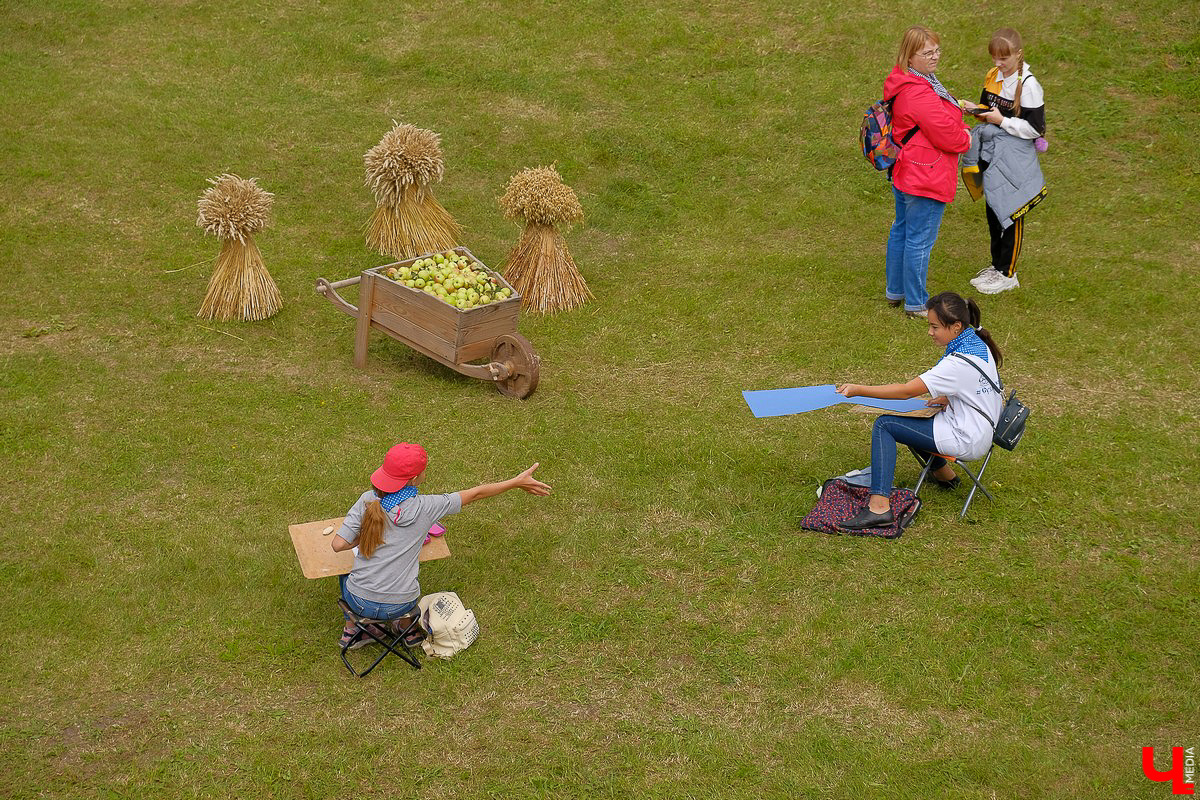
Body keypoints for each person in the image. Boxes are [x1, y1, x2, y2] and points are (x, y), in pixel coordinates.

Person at [331, 442, 551, 649]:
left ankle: (357, 629)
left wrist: (367, 534)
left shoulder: (367, 499)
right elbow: (475, 494)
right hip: (401, 604)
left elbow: (338, 544)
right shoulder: (428, 507)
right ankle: (405, 627)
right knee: (405, 582)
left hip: (359, 603)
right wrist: (516, 482)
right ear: (415, 478)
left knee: (345, 573)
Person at [834, 292, 1003, 529]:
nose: (930, 332)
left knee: (885, 425)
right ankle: (945, 476)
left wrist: (858, 390)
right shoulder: (975, 341)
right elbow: (975, 385)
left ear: (956, 327)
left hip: (967, 437)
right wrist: (949, 397)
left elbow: (905, 391)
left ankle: (879, 507)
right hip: (980, 427)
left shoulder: (956, 364)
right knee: (913, 418)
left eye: (935, 327)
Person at [882, 26, 972, 319]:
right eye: (927, 53)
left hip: (907, 169)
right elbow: (947, 134)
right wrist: (967, 137)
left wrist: (958, 106)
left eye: (937, 51)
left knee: (902, 231)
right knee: (919, 240)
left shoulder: (909, 80)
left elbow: (935, 113)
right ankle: (917, 304)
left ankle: (895, 292)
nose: (935, 57)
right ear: (910, 55)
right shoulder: (918, 92)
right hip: (926, 174)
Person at [965, 28, 1047, 295]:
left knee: (1011, 212)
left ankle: (1008, 273)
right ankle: (996, 266)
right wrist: (977, 112)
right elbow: (987, 108)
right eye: (995, 58)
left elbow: (1035, 129)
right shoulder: (994, 76)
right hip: (992, 153)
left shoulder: (1030, 86)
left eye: (1004, 58)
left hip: (1014, 158)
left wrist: (1002, 121)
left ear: (1018, 54)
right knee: (993, 211)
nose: (998, 64)